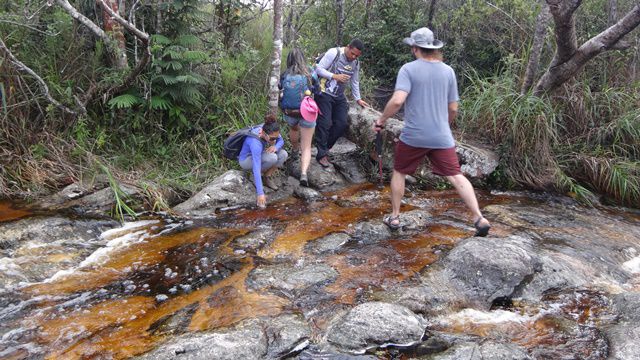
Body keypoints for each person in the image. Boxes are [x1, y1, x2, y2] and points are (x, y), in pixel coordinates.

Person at [372, 27, 491, 236]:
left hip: (414, 135)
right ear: (433, 48)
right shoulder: (448, 71)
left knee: (399, 172)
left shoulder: (408, 69)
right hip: (441, 136)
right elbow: (453, 108)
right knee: (456, 175)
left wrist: (381, 119)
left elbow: (398, 100)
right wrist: (443, 125)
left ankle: (395, 216)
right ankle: (478, 217)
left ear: (415, 48)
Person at [314, 38, 370, 168]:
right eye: (353, 53)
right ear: (348, 47)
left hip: (339, 95)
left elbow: (355, 81)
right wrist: (334, 76)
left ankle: (326, 148)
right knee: (325, 123)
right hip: (324, 92)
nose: (354, 57)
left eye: (357, 55)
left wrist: (358, 98)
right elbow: (318, 69)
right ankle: (321, 155)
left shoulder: (355, 62)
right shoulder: (334, 53)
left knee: (342, 123)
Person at [279, 48, 318, 187]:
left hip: (290, 112)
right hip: (307, 112)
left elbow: (279, 88)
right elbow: (317, 89)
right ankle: (303, 174)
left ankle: (294, 150)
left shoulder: (284, 74)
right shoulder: (309, 72)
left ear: (289, 59)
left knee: (294, 129)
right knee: (306, 146)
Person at [238, 114, 288, 209]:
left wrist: (275, 146)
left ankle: (267, 177)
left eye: (275, 138)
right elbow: (256, 167)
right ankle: (257, 178)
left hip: (260, 154)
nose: (274, 140)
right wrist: (260, 194)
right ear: (264, 134)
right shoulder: (255, 142)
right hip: (246, 160)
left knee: (283, 154)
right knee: (272, 158)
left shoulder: (270, 129)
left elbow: (281, 140)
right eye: (272, 139)